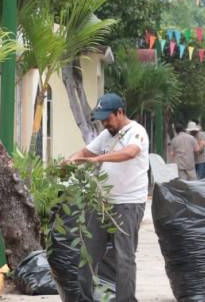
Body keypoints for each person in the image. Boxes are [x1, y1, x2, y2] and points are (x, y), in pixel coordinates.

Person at [67, 93, 148, 302]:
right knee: (88, 254)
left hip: (128, 205)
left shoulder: (136, 132)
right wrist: (71, 160)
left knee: (124, 258)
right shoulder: (106, 135)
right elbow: (86, 151)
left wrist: (99, 159)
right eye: (101, 119)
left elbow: (130, 153)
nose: (104, 123)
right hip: (101, 203)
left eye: (108, 118)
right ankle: (82, 299)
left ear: (120, 112)